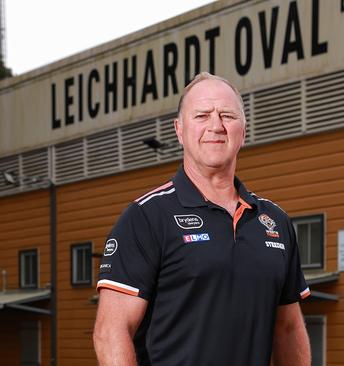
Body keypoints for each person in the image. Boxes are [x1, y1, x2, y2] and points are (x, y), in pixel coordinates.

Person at [93, 72, 311, 366]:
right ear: (179, 130)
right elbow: (111, 332)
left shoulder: (275, 222)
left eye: (227, 115)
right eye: (202, 115)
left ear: (243, 131)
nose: (215, 126)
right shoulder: (146, 217)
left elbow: (288, 328)